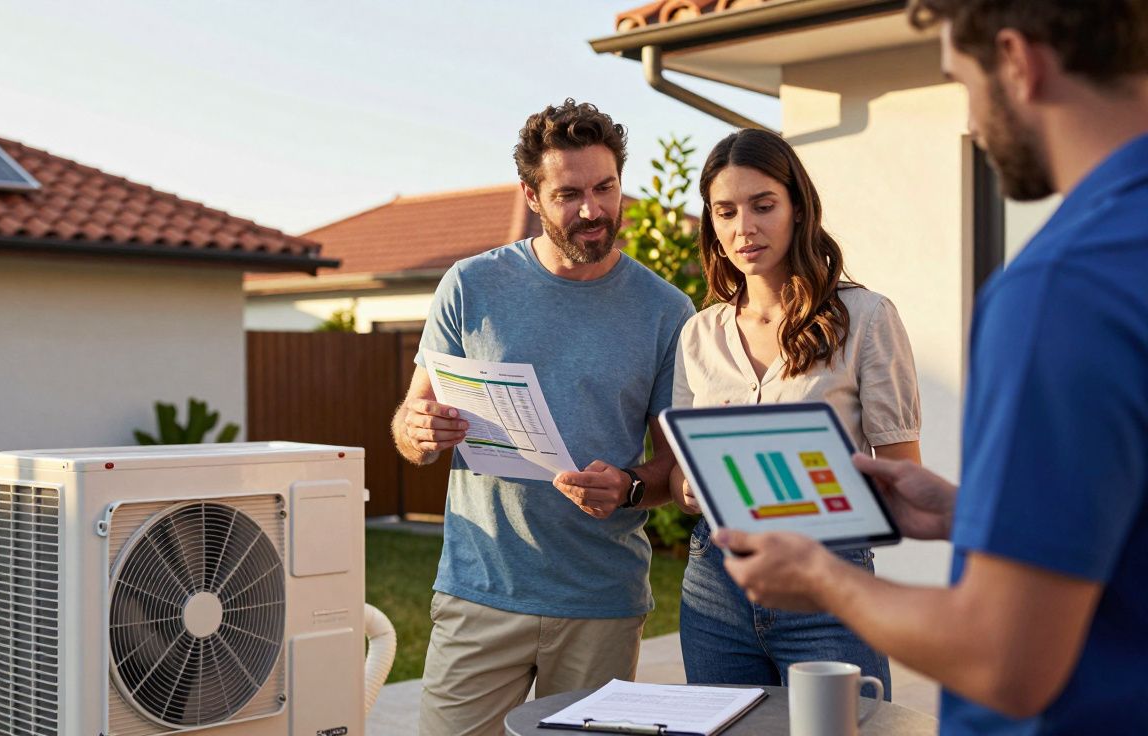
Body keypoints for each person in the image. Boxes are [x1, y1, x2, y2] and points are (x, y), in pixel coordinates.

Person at [712, 1, 1148, 733]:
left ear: (1018, 59)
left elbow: (1003, 659)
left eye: (962, 82)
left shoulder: (1063, 285)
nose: (974, 123)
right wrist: (969, 511)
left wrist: (822, 578)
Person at [391, 98, 695, 736]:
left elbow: (675, 468)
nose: (593, 209)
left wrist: (631, 486)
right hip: (482, 590)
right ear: (532, 194)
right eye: (570, 193)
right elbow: (411, 420)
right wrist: (418, 432)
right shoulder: (470, 286)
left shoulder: (666, 309)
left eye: (606, 187)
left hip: (600, 601)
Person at [670, 128, 920, 697]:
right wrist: (689, 484)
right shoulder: (698, 333)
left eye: (763, 206)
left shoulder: (867, 318)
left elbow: (905, 474)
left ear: (798, 208)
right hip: (717, 578)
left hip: (827, 575)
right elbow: (683, 468)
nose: (744, 228)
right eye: (725, 212)